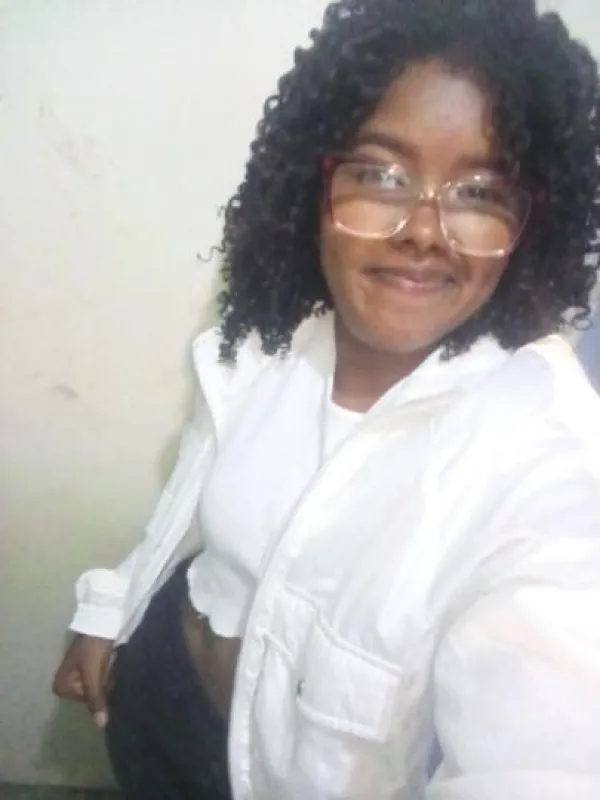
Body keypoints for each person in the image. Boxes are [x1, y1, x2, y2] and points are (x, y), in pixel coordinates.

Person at [53, 0, 600, 798]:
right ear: (315, 183)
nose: (424, 230)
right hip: (156, 690)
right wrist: (113, 607)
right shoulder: (272, 337)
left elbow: (547, 753)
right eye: (380, 174)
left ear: (529, 224)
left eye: (480, 192)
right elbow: (190, 491)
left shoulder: (551, 459)